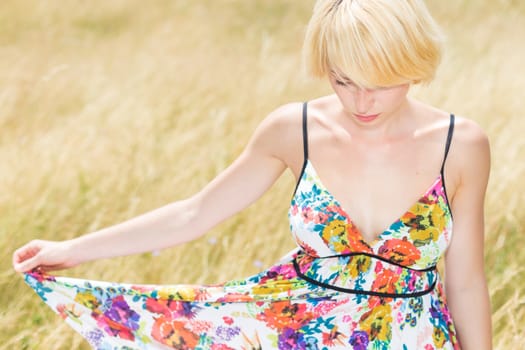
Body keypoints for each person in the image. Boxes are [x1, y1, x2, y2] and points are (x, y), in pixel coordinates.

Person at [12, 0, 492, 349]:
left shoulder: (461, 145)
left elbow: (466, 281)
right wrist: (69, 252)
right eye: (344, 81)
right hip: (293, 333)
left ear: (413, 64)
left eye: (381, 84)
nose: (362, 103)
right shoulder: (294, 129)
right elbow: (194, 214)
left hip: (417, 338)